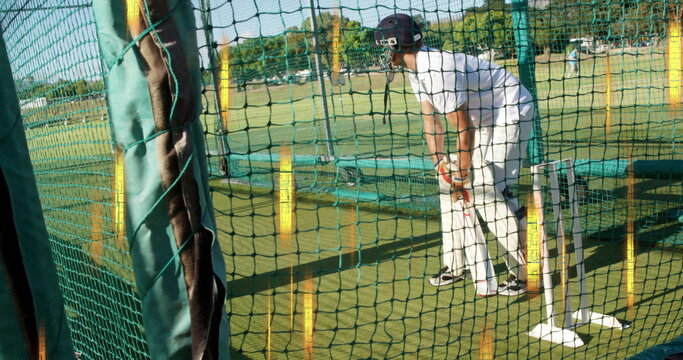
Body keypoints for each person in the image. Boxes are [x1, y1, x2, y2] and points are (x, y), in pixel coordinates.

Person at [374, 14, 533, 296]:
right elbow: (430, 120)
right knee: (449, 188)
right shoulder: (416, 70)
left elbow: (462, 128)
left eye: (384, 48)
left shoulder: (437, 70)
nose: (384, 55)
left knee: (489, 188)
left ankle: (524, 271)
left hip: (510, 109)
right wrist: (440, 165)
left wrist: (462, 172)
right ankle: (456, 265)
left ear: (396, 45)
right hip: (483, 116)